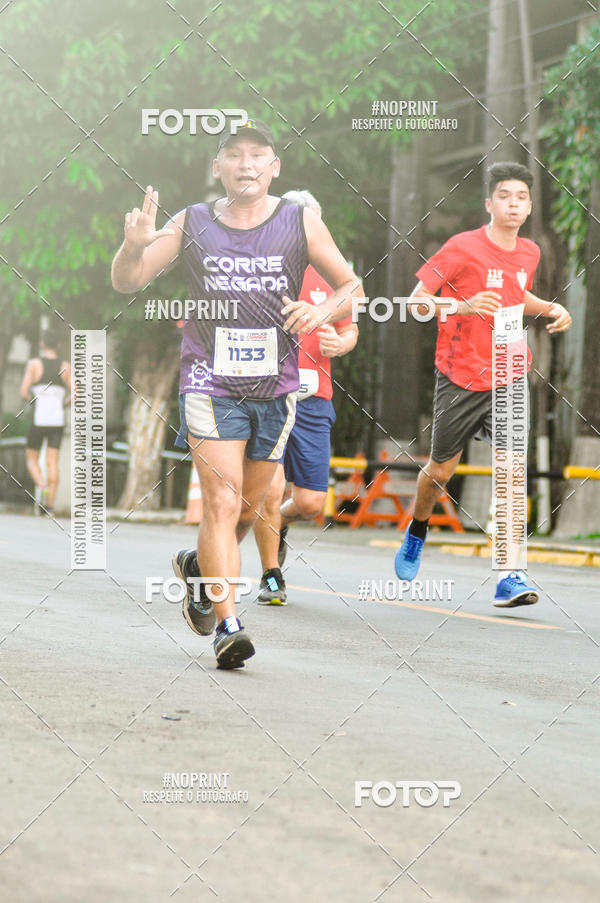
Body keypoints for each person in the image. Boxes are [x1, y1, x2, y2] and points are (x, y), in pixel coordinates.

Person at [111, 119, 364, 668]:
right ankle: (229, 625)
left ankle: (201, 570)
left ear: (274, 167)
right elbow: (128, 281)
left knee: (249, 510)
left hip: (276, 386)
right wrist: (131, 248)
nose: (246, 163)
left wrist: (321, 310)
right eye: (234, 154)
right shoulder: (193, 221)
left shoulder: (300, 220)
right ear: (217, 167)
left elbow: (351, 286)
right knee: (222, 502)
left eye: (258, 155)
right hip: (210, 381)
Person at [393, 161, 572, 607]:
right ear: (489, 203)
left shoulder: (529, 252)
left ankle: (510, 574)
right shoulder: (461, 247)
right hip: (461, 374)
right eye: (505, 197)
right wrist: (464, 307)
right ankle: (417, 530)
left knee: (511, 474)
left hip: (511, 367)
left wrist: (550, 308)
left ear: (529, 207)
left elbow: (517, 296)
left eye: (521, 198)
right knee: (439, 473)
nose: (513, 205)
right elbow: (415, 304)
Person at [252, 189, 358, 605]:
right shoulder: (260, 270)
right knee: (271, 488)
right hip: (268, 396)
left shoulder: (335, 278)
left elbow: (352, 331)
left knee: (312, 502)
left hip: (315, 400)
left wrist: (341, 344)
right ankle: (271, 574)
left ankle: (274, 525)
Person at [20, 329, 71, 516]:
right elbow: (76, 393)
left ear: (42, 344)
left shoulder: (34, 364)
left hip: (38, 419)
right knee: (52, 462)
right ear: (58, 345)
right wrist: (63, 403)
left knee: (31, 459)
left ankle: (41, 484)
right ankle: (49, 505)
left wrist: (33, 400)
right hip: (57, 420)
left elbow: (24, 391)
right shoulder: (65, 366)